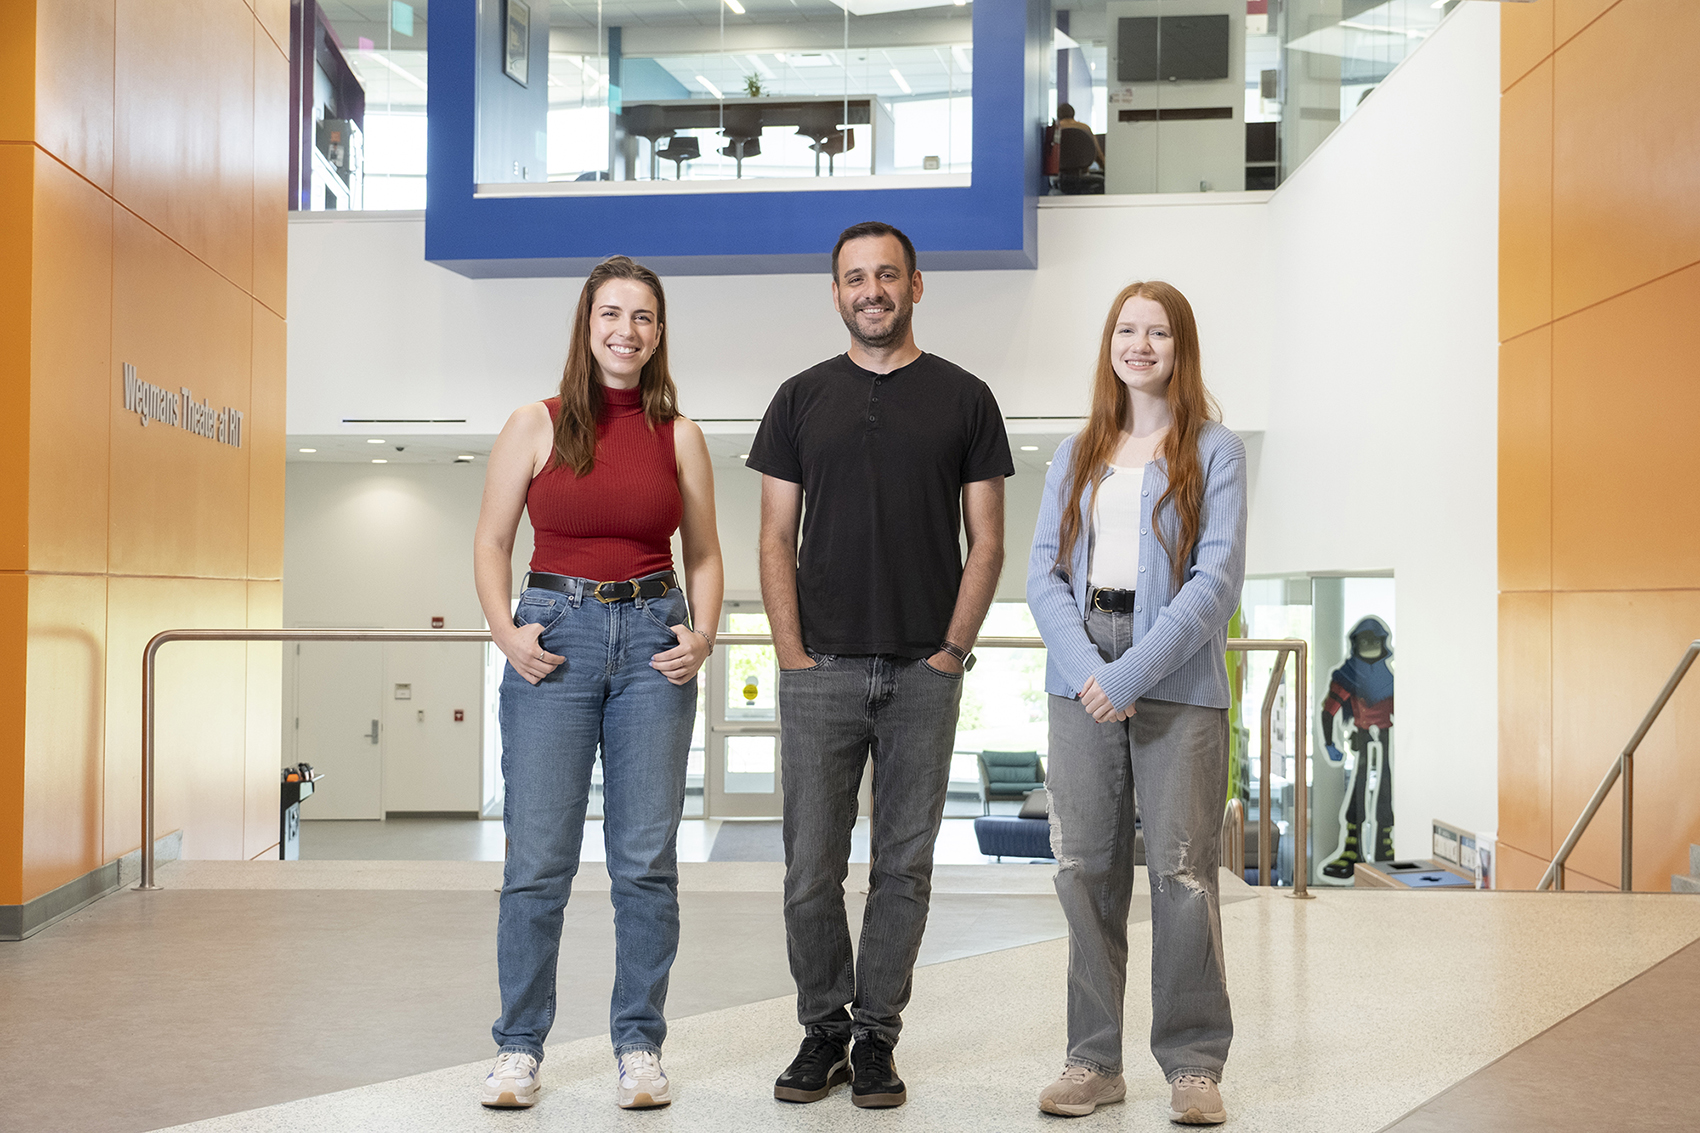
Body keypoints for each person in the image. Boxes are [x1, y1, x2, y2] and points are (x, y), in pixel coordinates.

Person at [749, 221, 1013, 1109]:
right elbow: (775, 535)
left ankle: (875, 1037)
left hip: (922, 676)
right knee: (809, 865)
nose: (872, 290)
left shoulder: (966, 397)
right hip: (818, 666)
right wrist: (790, 652)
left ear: (915, 286)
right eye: (855, 278)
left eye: (887, 275)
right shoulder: (798, 398)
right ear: (836, 293)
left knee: (903, 867)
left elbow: (988, 543)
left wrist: (951, 652)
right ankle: (822, 1028)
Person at [471, 256, 723, 1111]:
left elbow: (707, 553)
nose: (627, 330)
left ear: (659, 333)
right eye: (612, 314)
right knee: (538, 860)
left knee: (645, 862)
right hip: (558, 638)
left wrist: (705, 633)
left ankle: (639, 1044)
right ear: (587, 325)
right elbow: (491, 541)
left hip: (655, 640)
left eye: (644, 317)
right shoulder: (534, 424)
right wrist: (506, 631)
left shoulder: (678, 433)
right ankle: (517, 1048)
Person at [1027, 281, 1247, 1124]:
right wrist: (1089, 667)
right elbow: (1043, 571)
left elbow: (1213, 583)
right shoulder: (1079, 449)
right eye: (1127, 329)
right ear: (1110, 344)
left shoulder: (1215, 450)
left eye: (1158, 332)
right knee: (1084, 866)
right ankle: (1092, 1061)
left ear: (1180, 348)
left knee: (1183, 870)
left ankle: (1193, 1063)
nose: (1141, 345)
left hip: (1178, 678)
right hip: (1081, 668)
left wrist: (1128, 677)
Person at [1055, 102, 1105, 168]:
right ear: (1073, 114)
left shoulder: (1056, 129)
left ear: (1058, 116)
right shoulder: (1085, 128)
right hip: (1083, 172)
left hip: (1060, 173)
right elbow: (1098, 154)